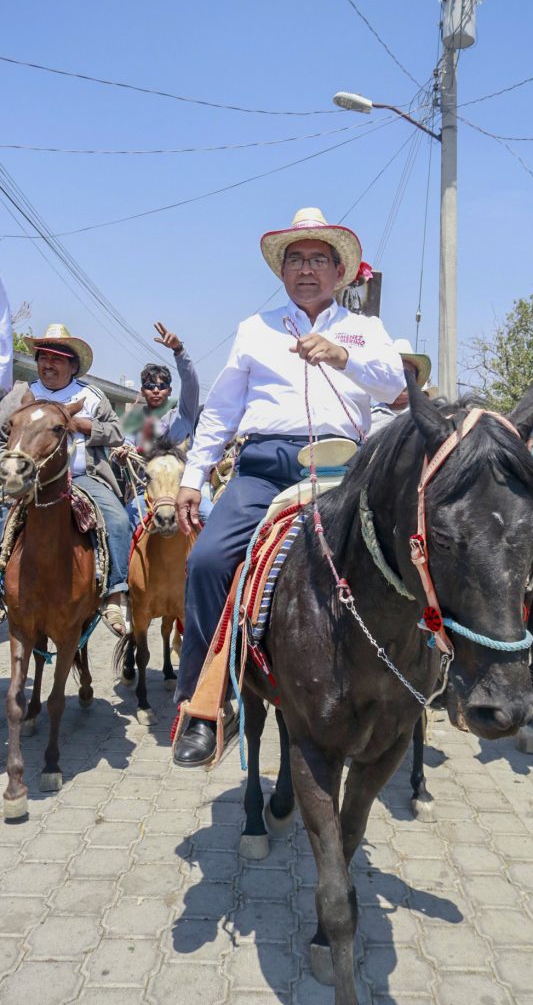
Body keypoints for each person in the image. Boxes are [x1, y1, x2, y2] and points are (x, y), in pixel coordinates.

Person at [172, 206, 405, 766]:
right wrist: (192, 477)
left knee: (409, 558)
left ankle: (420, 680)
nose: (306, 269)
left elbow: (397, 386)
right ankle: (204, 703)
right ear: (282, 271)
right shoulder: (255, 329)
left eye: (318, 260)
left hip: (344, 472)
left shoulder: (365, 330)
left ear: (339, 272)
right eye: (296, 259)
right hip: (263, 466)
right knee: (206, 562)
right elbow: (221, 410)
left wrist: (343, 356)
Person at [22, 324, 132, 634]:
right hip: (32, 481)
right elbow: (5, 429)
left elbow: (116, 432)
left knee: (119, 521)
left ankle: (115, 592)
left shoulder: (92, 396)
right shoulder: (26, 393)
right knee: (3, 513)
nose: (48, 365)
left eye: (57, 359)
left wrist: (85, 427)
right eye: (43, 357)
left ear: (73, 365)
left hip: (83, 477)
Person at [112, 322, 207, 529]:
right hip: (147, 491)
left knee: (213, 516)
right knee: (124, 523)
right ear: (142, 390)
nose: (156, 390)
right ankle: (120, 563)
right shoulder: (134, 419)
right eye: (150, 386)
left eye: (162, 386)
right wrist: (123, 453)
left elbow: (191, 382)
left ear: (170, 390)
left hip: (186, 487)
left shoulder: (184, 414)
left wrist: (178, 350)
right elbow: (126, 446)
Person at [370, 339, 431, 433]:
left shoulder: (427, 419)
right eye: (398, 373)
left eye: (408, 374)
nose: (403, 380)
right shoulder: (368, 420)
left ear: (415, 380)